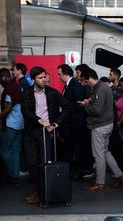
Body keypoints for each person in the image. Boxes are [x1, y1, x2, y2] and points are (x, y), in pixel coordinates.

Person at [21, 66, 71, 204]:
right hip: (31, 131)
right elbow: (25, 110)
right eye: (40, 78)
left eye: (44, 77)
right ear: (33, 80)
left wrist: (56, 124)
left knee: (45, 162)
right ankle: (39, 190)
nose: (44, 80)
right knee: (31, 163)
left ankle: (43, 192)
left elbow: (67, 107)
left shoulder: (52, 92)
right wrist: (39, 120)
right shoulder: (27, 92)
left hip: (46, 131)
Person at [79, 68, 123, 191]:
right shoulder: (103, 86)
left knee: (98, 155)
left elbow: (96, 110)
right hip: (107, 124)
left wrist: (85, 105)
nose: (85, 84)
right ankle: (119, 174)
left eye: (85, 81)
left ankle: (100, 182)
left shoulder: (99, 88)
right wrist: (90, 101)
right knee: (105, 152)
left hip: (100, 125)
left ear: (88, 78)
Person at [57, 64, 90, 180]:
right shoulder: (68, 85)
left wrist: (64, 109)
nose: (58, 77)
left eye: (60, 74)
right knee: (72, 145)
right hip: (70, 122)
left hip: (76, 122)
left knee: (78, 146)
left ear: (66, 74)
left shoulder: (75, 85)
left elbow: (80, 104)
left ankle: (80, 170)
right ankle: (72, 169)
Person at [0, 68, 24, 186]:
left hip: (9, 124)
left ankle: (11, 174)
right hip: (19, 124)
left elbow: (8, 107)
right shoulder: (17, 86)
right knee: (15, 151)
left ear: (3, 78)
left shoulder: (8, 89)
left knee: (4, 150)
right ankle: (15, 176)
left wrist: (0, 116)